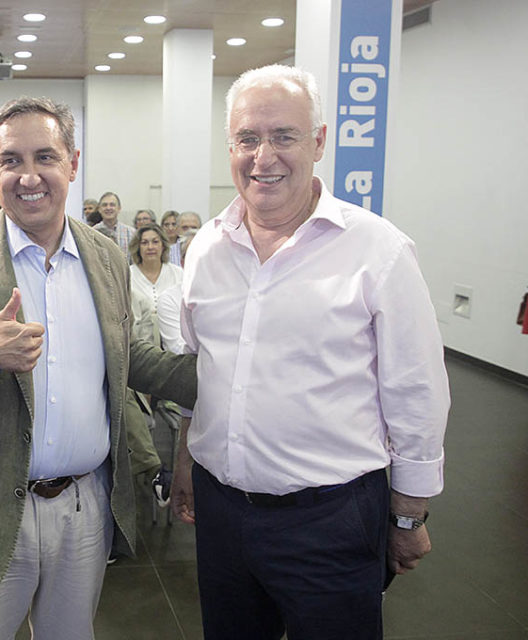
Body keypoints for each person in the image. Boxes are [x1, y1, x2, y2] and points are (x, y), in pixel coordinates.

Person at [0, 96, 195, 639]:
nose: (30, 177)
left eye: (45, 157)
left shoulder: (106, 258)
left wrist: (226, 374)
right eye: (12, 161)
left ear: (72, 162)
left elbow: (126, 358)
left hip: (84, 504)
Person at [171, 64, 450, 640]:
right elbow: (200, 371)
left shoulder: (379, 251)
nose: (262, 156)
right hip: (222, 516)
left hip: (332, 522)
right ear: (230, 146)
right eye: (247, 139)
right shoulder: (205, 250)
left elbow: (416, 391)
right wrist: (184, 460)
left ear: (319, 141)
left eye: (283, 136)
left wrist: (409, 513)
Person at [129, 223, 184, 312]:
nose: (150, 247)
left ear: (163, 246)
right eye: (144, 243)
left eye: (155, 242)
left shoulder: (178, 274)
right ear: (138, 247)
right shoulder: (128, 275)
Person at [92, 191, 133, 260]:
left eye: (112, 205)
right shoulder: (91, 232)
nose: (108, 208)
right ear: (99, 209)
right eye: (104, 205)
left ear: (119, 208)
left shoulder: (131, 233)